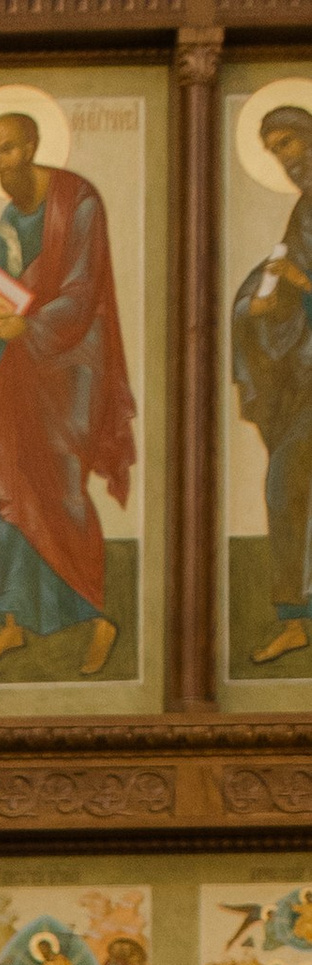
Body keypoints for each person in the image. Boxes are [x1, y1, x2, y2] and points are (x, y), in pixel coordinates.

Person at [0, 107, 134, 680]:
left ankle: (99, 617)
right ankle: (12, 619)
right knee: (7, 485)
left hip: (71, 358)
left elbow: (83, 287)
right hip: (16, 363)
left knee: (61, 485)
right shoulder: (10, 212)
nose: (3, 161)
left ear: (30, 144)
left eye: (8, 148)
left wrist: (31, 325)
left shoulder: (77, 200)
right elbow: (4, 279)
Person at [233, 101, 312, 666]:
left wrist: (298, 279)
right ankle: (295, 619)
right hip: (304, 375)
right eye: (275, 150)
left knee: (288, 482)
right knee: (286, 487)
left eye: (289, 143)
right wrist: (259, 302)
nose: (287, 159)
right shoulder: (304, 212)